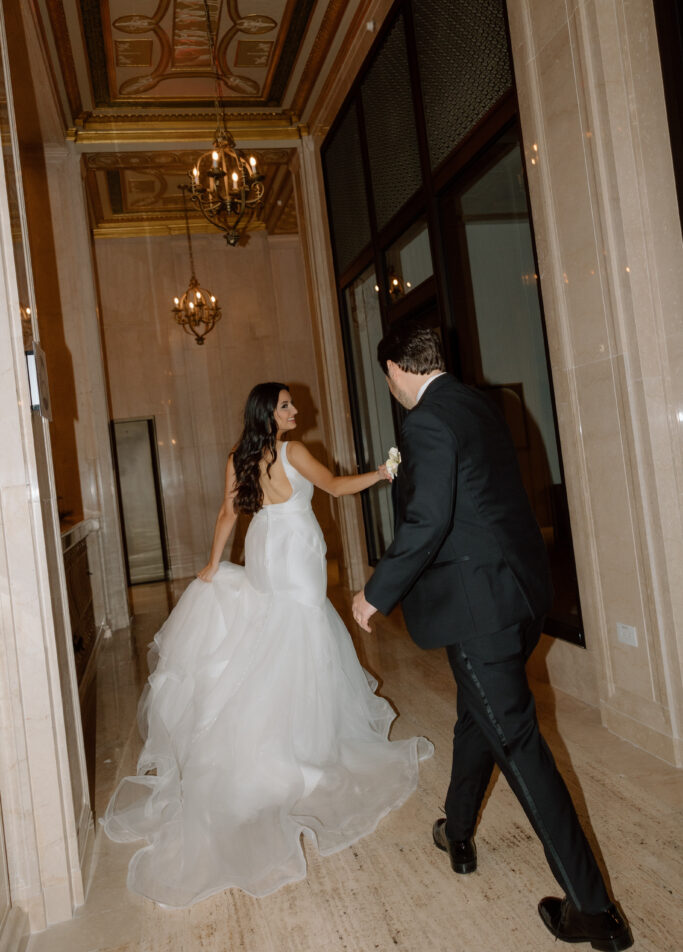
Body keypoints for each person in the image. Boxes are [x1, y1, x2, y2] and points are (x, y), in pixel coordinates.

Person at [352, 325, 633, 951]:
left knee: (520, 744)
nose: (391, 388)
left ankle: (596, 912)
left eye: (388, 378)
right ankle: (457, 830)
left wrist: (375, 592)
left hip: (479, 608)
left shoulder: (424, 421)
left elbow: (428, 518)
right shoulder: (478, 403)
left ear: (397, 370)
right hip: (518, 593)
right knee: (477, 718)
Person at [103, 382, 432, 907]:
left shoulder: (240, 456)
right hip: (296, 549)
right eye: (286, 405)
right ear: (268, 413)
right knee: (303, 632)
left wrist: (215, 563)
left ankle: (275, 737)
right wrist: (384, 473)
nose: (295, 410)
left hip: (265, 549)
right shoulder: (294, 450)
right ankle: (301, 744)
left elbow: (227, 515)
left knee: (275, 632)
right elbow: (338, 488)